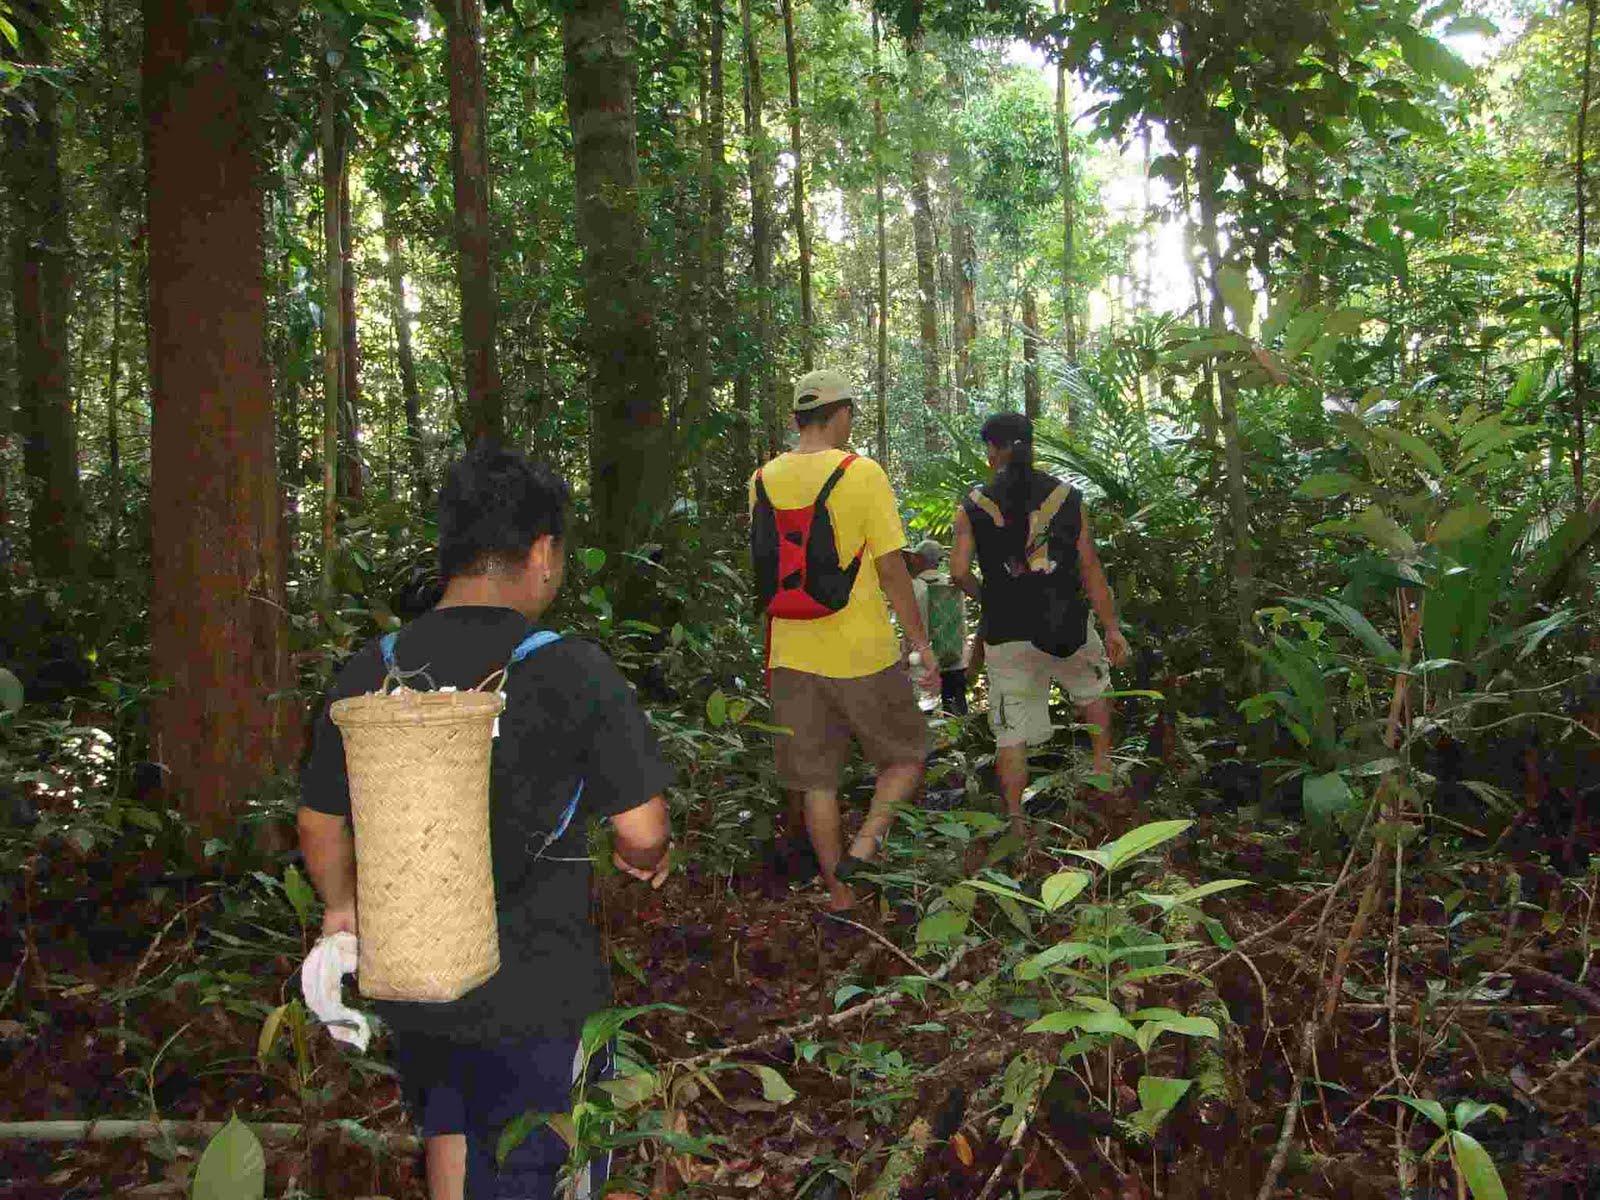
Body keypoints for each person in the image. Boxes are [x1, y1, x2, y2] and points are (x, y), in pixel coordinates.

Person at [298, 445, 675, 1200]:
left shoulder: (374, 667)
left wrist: (343, 910)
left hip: (417, 977)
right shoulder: (571, 668)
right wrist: (648, 855)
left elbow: (318, 820)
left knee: (451, 1122)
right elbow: (642, 828)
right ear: (541, 553)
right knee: (544, 1155)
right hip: (538, 988)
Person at [751, 368, 938, 912]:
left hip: (789, 652)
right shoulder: (862, 473)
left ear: (796, 419)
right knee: (906, 755)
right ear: (841, 414)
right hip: (862, 651)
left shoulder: (762, 478)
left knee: (817, 781)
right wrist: (919, 641)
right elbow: (892, 571)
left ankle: (840, 893)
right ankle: (867, 843)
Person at [950, 412, 1130, 840]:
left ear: (993, 451)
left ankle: (1016, 821)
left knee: (1010, 732)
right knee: (1093, 693)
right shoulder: (1067, 497)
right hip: (1066, 622)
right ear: (1030, 445)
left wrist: (990, 596)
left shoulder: (973, 503)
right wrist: (1111, 628)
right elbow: (1089, 567)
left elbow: (958, 571)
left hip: (1007, 632)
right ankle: (1103, 775)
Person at [907, 538, 971, 716]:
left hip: (923, 662)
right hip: (955, 658)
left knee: (925, 713)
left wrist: (905, 655)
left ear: (918, 559)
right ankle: (962, 743)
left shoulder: (911, 588)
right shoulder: (953, 585)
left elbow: (909, 627)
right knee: (956, 713)